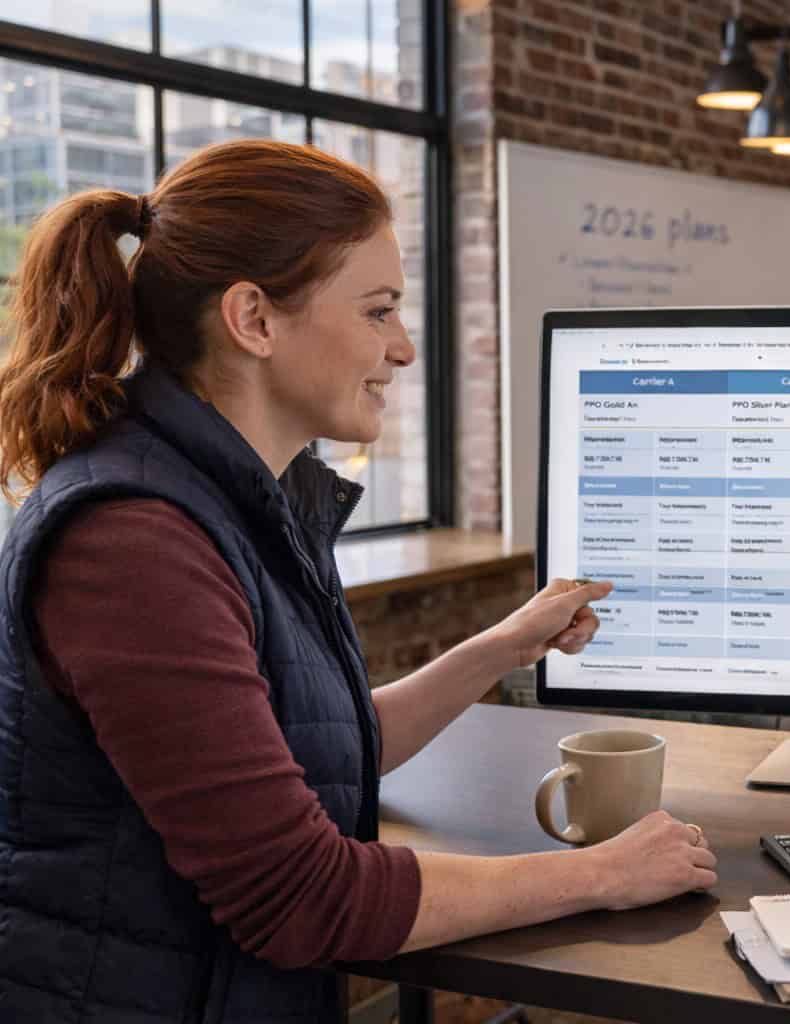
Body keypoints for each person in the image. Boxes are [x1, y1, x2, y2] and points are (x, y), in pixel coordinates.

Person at [0, 139, 716, 1022]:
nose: (405, 348)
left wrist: (503, 644)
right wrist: (600, 873)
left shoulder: (237, 498)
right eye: (379, 311)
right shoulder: (134, 546)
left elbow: (321, 748)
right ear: (254, 320)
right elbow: (303, 896)